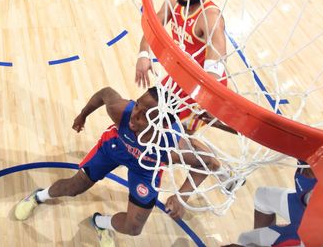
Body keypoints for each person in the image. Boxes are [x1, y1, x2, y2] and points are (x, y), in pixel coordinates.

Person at [14, 86, 220, 245]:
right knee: (74, 187)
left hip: (145, 167)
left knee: (134, 227)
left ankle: (100, 223)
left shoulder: (173, 145)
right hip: (114, 147)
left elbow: (210, 164)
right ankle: (38, 196)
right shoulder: (122, 111)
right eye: (138, 104)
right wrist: (83, 114)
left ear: (162, 125)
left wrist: (182, 196)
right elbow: (105, 93)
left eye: (145, 114)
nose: (135, 114)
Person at [135, 0, 229, 131]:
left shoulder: (210, 18)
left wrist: (210, 98)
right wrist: (143, 54)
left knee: (181, 132)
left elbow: (218, 63)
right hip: (180, 74)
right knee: (147, 108)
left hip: (205, 82)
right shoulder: (174, 2)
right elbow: (152, 29)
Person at [224, 129, 323, 247]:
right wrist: (220, 124)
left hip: (312, 232)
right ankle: (263, 238)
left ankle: (263, 240)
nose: (317, 150)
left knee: (246, 239)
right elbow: (264, 134)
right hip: (301, 206)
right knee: (262, 195)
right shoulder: (308, 153)